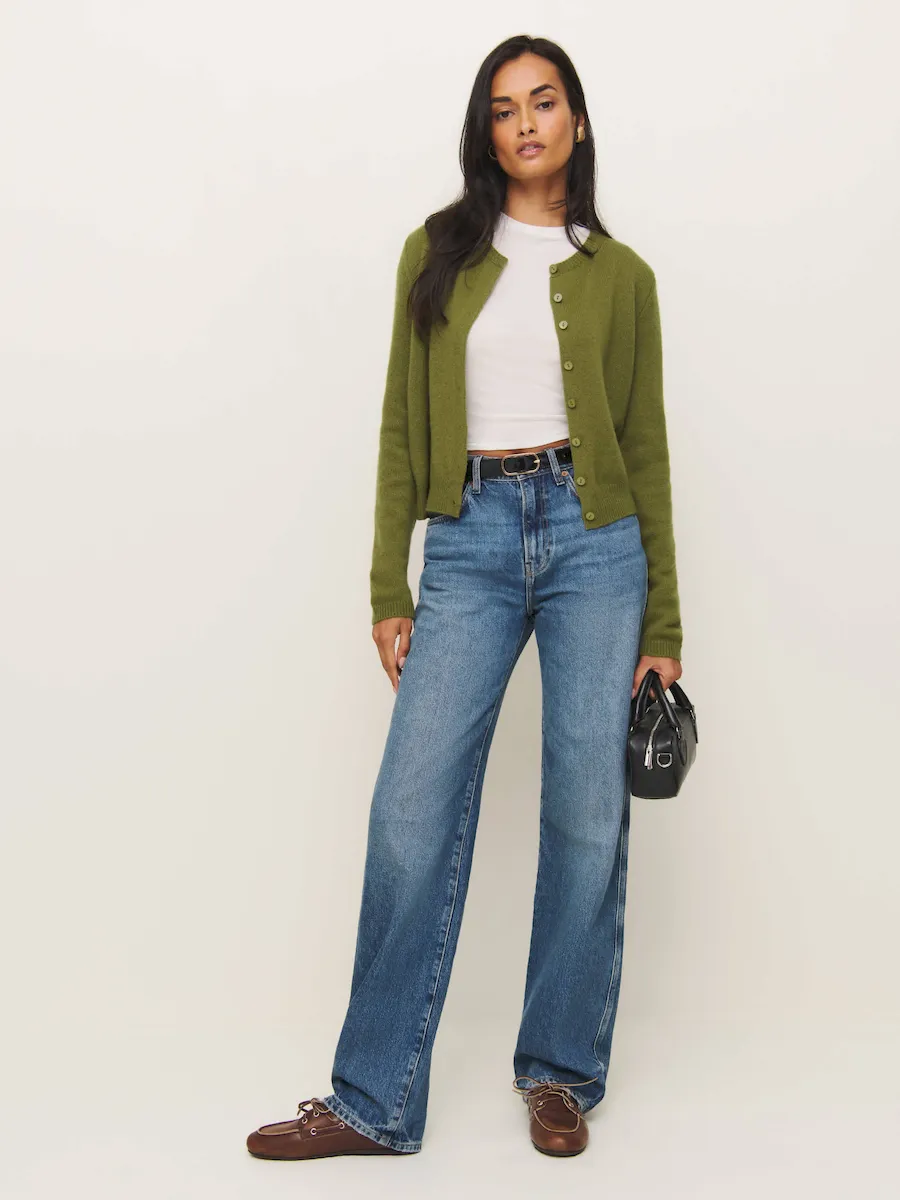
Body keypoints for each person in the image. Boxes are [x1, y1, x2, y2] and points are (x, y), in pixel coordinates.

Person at [246, 32, 684, 1163]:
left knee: (586, 813)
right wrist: (386, 581)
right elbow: (403, 425)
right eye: (504, 108)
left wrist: (665, 628)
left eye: (545, 101)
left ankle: (560, 1073)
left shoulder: (624, 277)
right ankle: (373, 1100)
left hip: (597, 541)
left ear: (578, 121)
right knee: (411, 809)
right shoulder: (436, 253)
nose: (526, 122)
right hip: (472, 539)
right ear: (486, 132)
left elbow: (645, 450)